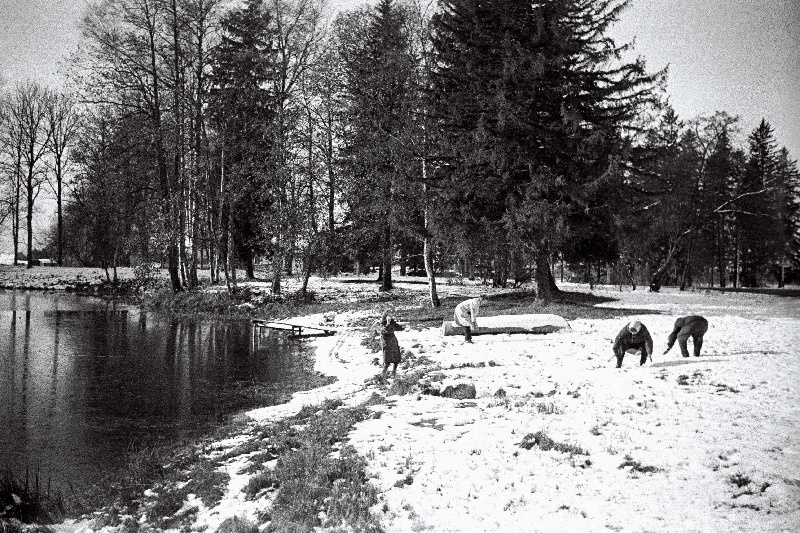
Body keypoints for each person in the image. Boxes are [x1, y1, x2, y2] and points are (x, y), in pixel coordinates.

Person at [379, 313, 404, 382]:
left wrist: (397, 324)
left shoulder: (392, 323)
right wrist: (388, 323)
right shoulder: (382, 324)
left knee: (396, 359)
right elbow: (387, 331)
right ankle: (383, 375)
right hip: (387, 344)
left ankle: (394, 372)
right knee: (387, 361)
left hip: (393, 342)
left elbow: (399, 328)